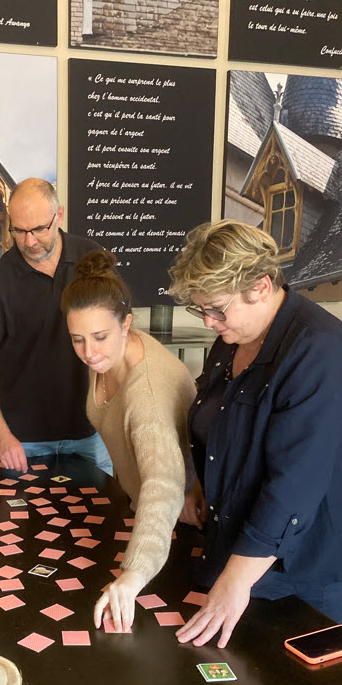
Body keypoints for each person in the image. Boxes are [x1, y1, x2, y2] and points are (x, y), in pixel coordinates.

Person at [168, 220, 342, 648]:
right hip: (242, 536)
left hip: (313, 556)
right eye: (201, 309)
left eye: (217, 308)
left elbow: (293, 485)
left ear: (262, 287)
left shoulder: (320, 351)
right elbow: (220, 425)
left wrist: (235, 580)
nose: (210, 322)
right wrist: (199, 484)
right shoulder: (234, 337)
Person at [62, 249, 197, 632]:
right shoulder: (107, 354)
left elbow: (163, 485)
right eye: (78, 339)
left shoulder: (148, 393)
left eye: (100, 337)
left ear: (127, 324)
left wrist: (133, 575)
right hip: (145, 509)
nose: (89, 352)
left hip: (176, 521)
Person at [0, 178, 111, 473]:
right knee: (24, 520)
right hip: (22, 441)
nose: (29, 242)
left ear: (59, 216)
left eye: (37, 230)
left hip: (92, 433)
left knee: (99, 517)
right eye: (18, 231)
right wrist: (1, 436)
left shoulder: (93, 261)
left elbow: (120, 342)